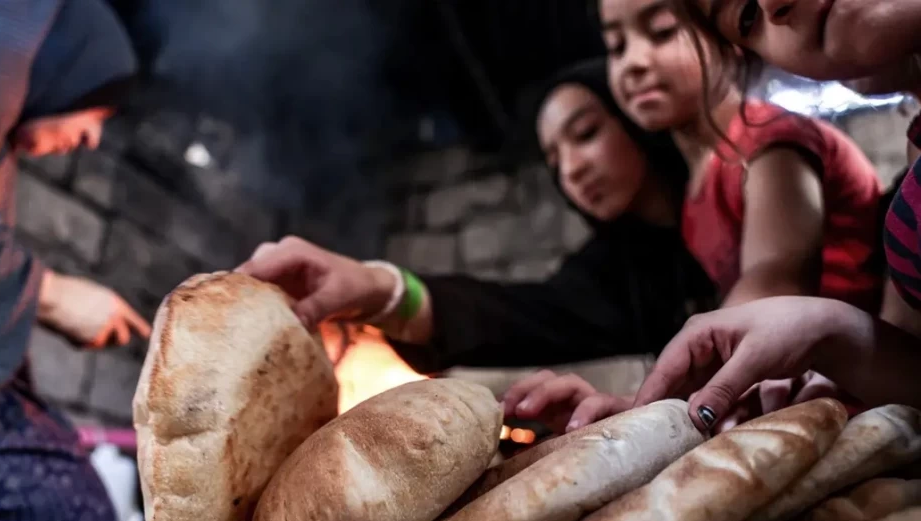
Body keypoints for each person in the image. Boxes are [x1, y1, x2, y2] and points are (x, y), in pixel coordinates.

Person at [237, 59, 716, 435]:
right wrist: (380, 288)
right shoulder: (614, 272)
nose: (571, 170)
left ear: (638, 115)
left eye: (586, 134)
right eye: (553, 159)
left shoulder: (742, 188)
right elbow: (515, 315)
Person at [510, 0, 914, 432]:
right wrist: (647, 405)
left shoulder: (770, 145)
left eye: (662, 31)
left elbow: (771, 284)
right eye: (616, 45)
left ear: (728, 43)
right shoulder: (698, 188)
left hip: (861, 409)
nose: (634, 63)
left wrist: (654, 404)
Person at [629, 0, 921, 431]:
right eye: (747, 16)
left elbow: (774, 273)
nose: (773, 5)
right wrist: (834, 335)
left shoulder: (773, 145)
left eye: (662, 31)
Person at [0, 0, 149, 521]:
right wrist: (50, 293)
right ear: (66, 69)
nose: (93, 138)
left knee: (74, 484)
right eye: (97, 112)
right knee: (60, 511)